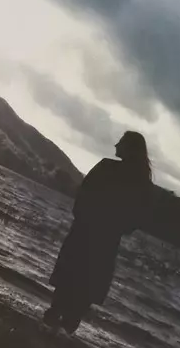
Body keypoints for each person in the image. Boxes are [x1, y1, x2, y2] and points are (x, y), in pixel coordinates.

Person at [43, 131, 152, 334]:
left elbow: (83, 193)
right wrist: (116, 228)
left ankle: (51, 328)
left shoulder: (107, 167)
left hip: (85, 232)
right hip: (105, 243)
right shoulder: (142, 184)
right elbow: (137, 219)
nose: (116, 145)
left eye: (120, 142)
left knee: (67, 282)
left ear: (129, 148)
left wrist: (83, 217)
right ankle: (63, 332)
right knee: (84, 291)